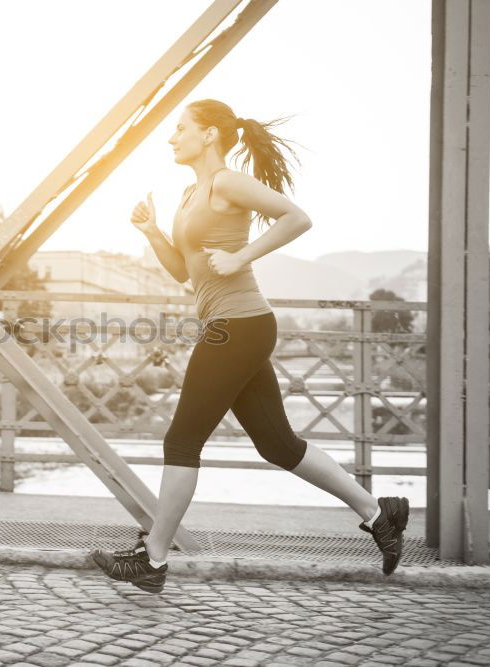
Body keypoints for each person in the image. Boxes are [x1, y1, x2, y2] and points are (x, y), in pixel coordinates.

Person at [90, 99, 409, 594]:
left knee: (180, 441)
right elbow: (184, 272)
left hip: (238, 326)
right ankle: (377, 512)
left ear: (210, 134)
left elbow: (296, 218)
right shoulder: (190, 191)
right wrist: (152, 231)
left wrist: (241, 256)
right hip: (232, 324)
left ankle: (153, 559)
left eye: (181, 128)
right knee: (278, 445)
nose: (172, 138)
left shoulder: (225, 182)